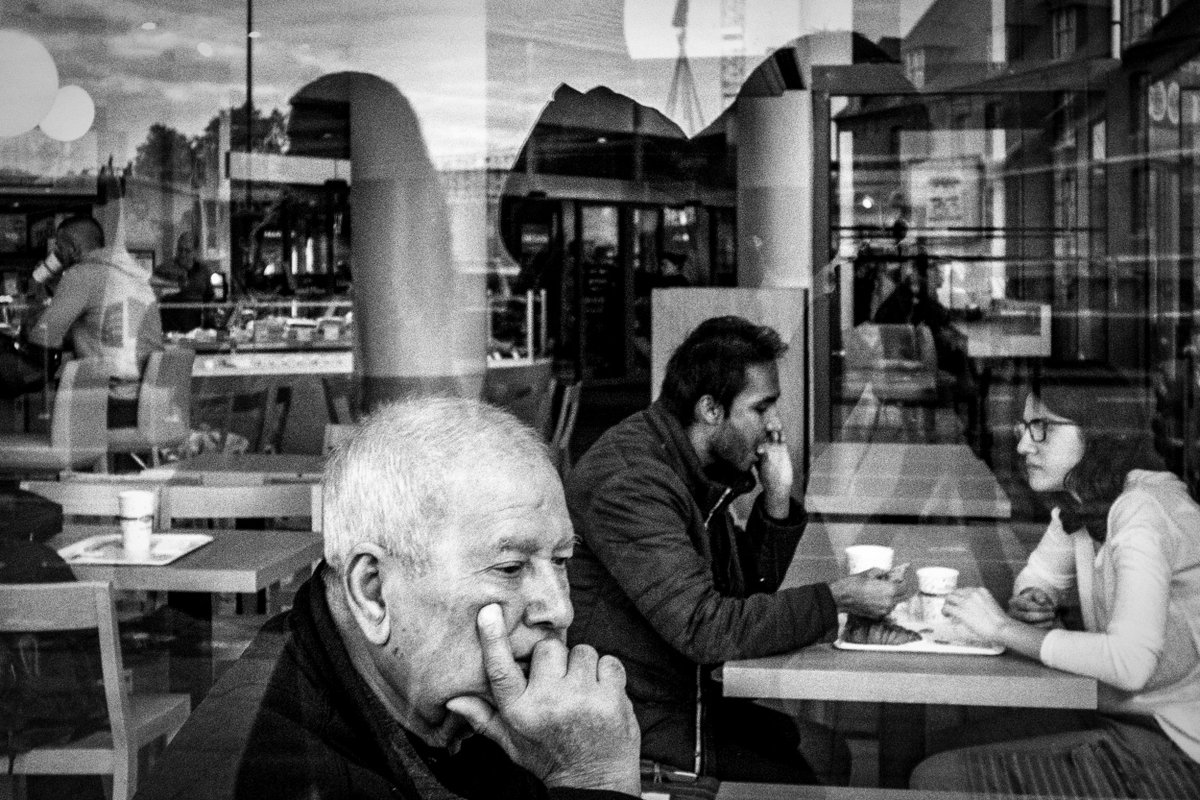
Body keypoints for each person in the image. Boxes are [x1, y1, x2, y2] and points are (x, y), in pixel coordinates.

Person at [133, 397, 641, 800]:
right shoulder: (276, 772)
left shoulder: (457, 715)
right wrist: (596, 782)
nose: (559, 609)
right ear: (373, 592)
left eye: (561, 561)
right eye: (509, 569)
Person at [566, 316, 903, 784]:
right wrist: (837, 598)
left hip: (688, 699)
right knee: (811, 774)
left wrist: (777, 498)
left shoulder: (688, 464)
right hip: (639, 726)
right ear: (711, 409)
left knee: (829, 754)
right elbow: (706, 629)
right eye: (761, 408)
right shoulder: (632, 482)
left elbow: (742, 591)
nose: (773, 425)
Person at [910, 363, 1200, 798]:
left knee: (936, 779)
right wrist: (1033, 598)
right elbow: (1041, 575)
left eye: (1042, 427)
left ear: (1098, 432)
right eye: (1024, 426)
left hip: (1177, 749)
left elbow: (1130, 663)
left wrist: (1004, 628)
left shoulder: (1142, 513)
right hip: (1124, 716)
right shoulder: (1088, 504)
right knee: (941, 746)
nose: (1024, 444)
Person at [15, 215, 162, 426]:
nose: (56, 253)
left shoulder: (80, 275)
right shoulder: (134, 273)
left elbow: (43, 336)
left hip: (111, 403)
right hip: (151, 402)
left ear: (73, 247)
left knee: (34, 415)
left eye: (59, 246)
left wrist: (37, 298)